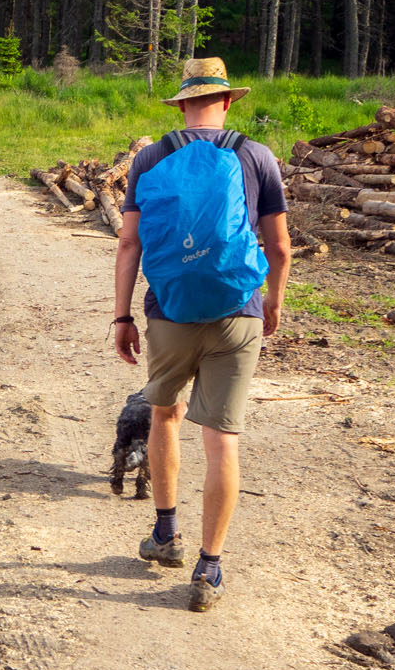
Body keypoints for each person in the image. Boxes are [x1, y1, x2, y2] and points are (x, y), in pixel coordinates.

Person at [111, 56, 291, 611]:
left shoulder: (150, 157)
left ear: (182, 104)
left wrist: (122, 316)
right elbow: (280, 247)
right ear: (229, 101)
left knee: (165, 416)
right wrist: (273, 304)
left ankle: (165, 534)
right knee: (222, 439)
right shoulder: (256, 156)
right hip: (239, 310)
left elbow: (129, 245)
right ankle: (208, 568)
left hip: (169, 312)